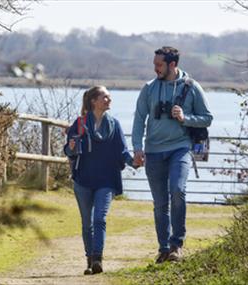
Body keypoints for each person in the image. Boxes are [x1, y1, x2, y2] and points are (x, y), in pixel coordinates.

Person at [132, 47, 213, 264]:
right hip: (153, 151)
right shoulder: (148, 89)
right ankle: (164, 248)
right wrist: (137, 148)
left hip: (180, 148)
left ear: (172, 65)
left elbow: (207, 118)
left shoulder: (192, 87)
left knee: (177, 190)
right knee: (160, 203)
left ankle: (177, 244)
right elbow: (139, 119)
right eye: (154, 64)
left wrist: (185, 118)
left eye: (159, 64)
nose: (155, 68)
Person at [64, 85, 137, 275]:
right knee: (86, 223)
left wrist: (134, 162)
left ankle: (98, 259)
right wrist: (71, 147)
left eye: (109, 97)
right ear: (93, 101)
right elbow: (68, 151)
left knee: (99, 219)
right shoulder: (79, 123)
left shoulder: (115, 125)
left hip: (107, 180)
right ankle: (89, 260)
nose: (109, 100)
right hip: (83, 181)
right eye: (105, 97)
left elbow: (123, 152)